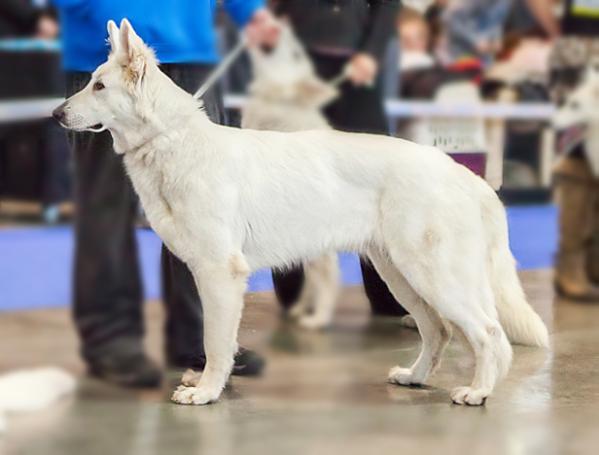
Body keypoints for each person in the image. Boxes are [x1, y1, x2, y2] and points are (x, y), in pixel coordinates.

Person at [51, 0, 278, 387]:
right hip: (106, 53)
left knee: (203, 213)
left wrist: (249, 10)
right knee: (107, 207)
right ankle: (111, 339)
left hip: (191, 49)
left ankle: (202, 339)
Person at [270, 0, 408, 318]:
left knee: (375, 180)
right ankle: (294, 295)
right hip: (294, 69)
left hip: (357, 68)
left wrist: (371, 53)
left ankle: (388, 296)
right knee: (289, 182)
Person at [541, 0, 599, 300]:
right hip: (579, 45)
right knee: (577, 166)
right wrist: (559, 33)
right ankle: (570, 266)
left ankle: (593, 264)